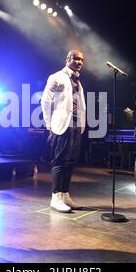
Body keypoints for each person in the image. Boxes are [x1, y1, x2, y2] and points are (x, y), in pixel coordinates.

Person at [41, 50, 86, 213]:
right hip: (61, 124)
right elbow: (45, 100)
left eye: (81, 60)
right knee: (59, 161)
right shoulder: (56, 77)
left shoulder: (78, 80)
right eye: (76, 58)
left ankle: (65, 194)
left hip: (75, 125)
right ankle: (55, 197)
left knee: (71, 161)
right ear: (68, 59)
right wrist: (48, 123)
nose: (79, 62)